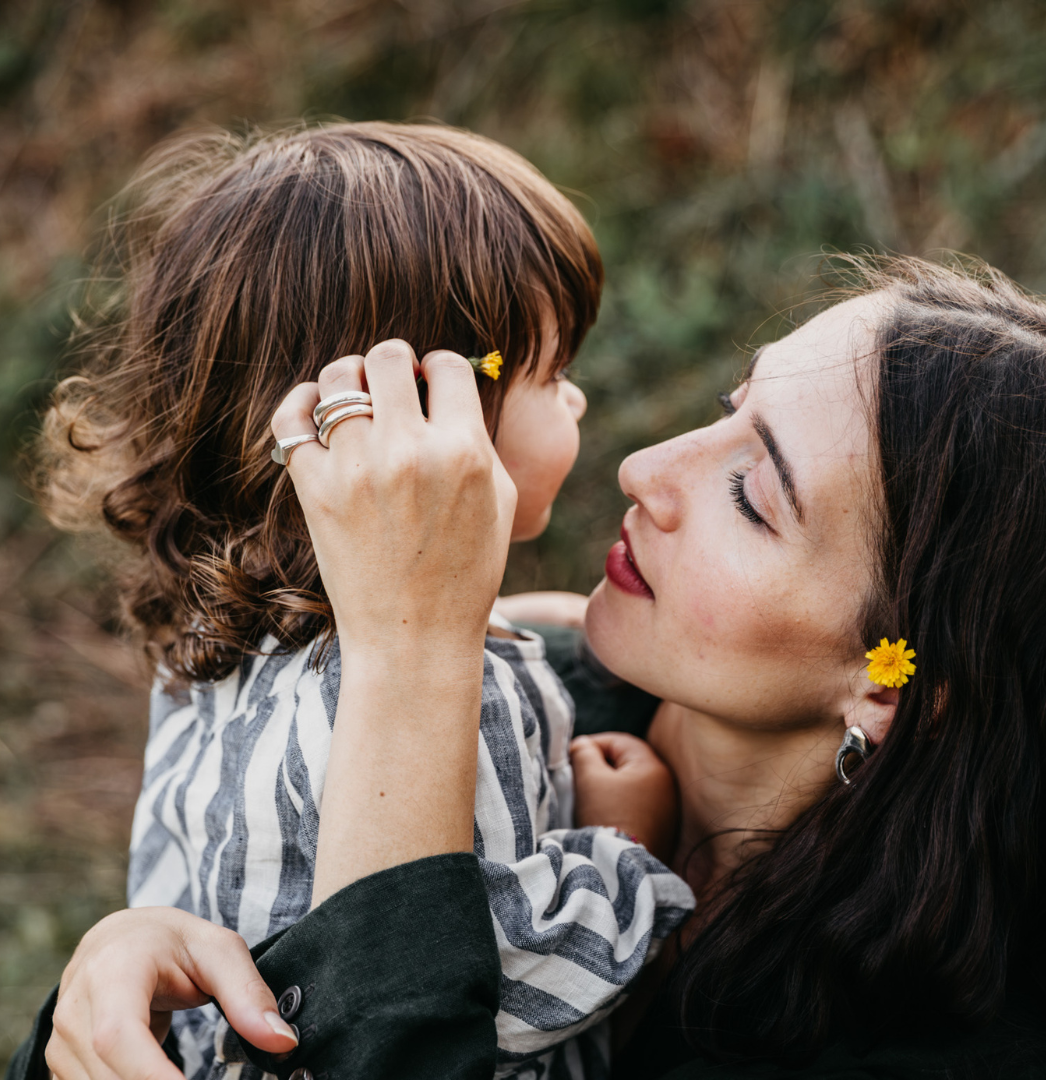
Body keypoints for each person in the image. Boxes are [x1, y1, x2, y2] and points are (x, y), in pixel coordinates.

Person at [16, 255, 1046, 1080]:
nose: (644, 468)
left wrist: (411, 654)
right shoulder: (530, 683)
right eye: (726, 411)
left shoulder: (933, 1048)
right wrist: (133, 971)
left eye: (754, 496)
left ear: (889, 683)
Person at [29, 122, 694, 1080]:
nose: (579, 403)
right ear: (421, 421)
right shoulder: (451, 693)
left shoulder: (214, 641)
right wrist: (626, 847)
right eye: (552, 374)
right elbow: (498, 986)